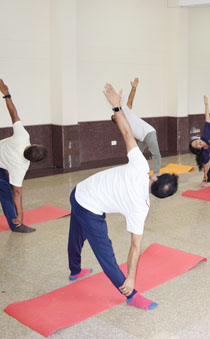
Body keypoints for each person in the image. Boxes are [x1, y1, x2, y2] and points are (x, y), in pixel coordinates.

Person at [68, 83, 179, 310]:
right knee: (104, 251)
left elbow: (127, 133)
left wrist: (117, 107)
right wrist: (130, 277)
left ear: (156, 178)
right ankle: (130, 293)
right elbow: (135, 246)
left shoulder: (140, 166)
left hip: (79, 191)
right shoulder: (141, 208)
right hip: (88, 203)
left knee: (77, 234)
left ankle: (75, 271)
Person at [0, 79, 48, 233]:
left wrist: (7, 95)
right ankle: (16, 224)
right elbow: (16, 192)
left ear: (33, 145)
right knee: (6, 192)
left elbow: (13, 113)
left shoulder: (22, 136)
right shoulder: (21, 166)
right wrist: (20, 214)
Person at [116, 78, 162, 174]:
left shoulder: (126, 112)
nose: (116, 116)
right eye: (115, 118)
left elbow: (130, 100)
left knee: (155, 154)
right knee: (136, 154)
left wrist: (133, 88)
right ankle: (136, 170)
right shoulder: (123, 124)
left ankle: (156, 173)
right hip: (142, 138)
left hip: (149, 133)